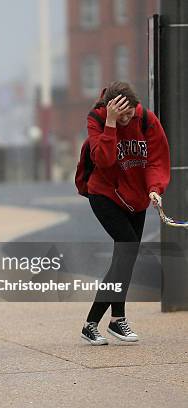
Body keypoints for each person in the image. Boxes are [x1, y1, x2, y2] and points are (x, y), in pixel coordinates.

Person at [80, 81, 170, 346]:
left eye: (130, 113)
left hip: (137, 198)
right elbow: (104, 159)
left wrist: (155, 188)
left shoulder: (146, 119)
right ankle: (91, 323)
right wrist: (110, 123)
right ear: (110, 109)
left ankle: (116, 319)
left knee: (125, 259)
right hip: (105, 194)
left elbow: (156, 158)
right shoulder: (97, 120)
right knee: (128, 250)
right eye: (122, 115)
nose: (128, 119)